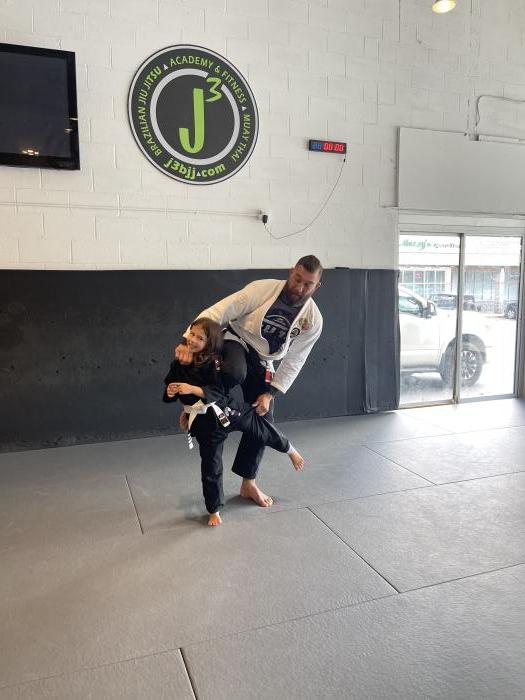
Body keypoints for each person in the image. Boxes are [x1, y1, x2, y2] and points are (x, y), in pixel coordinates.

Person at [175, 255, 323, 509]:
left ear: (317, 285)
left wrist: (270, 393)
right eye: (297, 279)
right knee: (234, 372)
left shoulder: (313, 320)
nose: (299, 287)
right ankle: (195, 407)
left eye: (307, 284)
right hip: (237, 341)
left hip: (265, 359)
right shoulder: (262, 289)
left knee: (263, 418)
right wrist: (187, 340)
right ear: (291, 272)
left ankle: (248, 482)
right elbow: (222, 310)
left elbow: (295, 360)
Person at [164, 317, 304, 527]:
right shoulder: (179, 363)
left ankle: (289, 449)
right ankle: (214, 509)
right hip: (205, 424)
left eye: (200, 338)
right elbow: (172, 388)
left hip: (227, 411)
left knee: (260, 425)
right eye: (191, 334)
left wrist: (191, 389)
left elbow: (217, 392)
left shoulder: (215, 362)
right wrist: (174, 395)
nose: (193, 339)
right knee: (211, 465)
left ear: (209, 343)